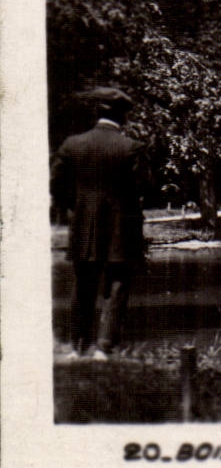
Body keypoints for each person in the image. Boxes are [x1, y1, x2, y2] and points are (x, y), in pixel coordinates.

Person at [51, 87, 146, 359]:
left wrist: (78, 207)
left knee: (83, 284)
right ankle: (104, 348)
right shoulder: (131, 148)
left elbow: (56, 185)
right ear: (123, 116)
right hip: (121, 227)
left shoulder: (72, 145)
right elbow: (146, 187)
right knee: (117, 285)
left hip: (83, 225)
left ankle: (78, 346)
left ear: (97, 113)